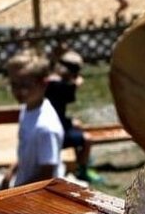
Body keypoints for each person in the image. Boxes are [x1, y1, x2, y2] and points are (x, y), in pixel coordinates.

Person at [6, 50, 65, 188]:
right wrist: (12, 170)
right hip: (23, 183)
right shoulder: (27, 107)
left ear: (44, 84)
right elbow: (26, 151)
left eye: (26, 86)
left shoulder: (46, 129)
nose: (20, 92)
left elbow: (47, 176)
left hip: (37, 195)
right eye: (14, 85)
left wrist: (14, 192)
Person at [45, 50, 102, 184]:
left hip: (57, 121)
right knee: (88, 139)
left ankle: (83, 160)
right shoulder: (60, 85)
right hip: (55, 131)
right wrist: (75, 83)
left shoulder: (53, 80)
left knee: (78, 124)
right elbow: (73, 86)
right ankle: (83, 172)